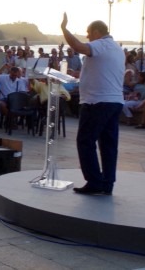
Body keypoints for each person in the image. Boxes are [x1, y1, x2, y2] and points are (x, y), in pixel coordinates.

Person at [61, 14, 124, 196]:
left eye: (89, 33)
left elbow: (77, 46)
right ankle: (107, 183)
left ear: (96, 32)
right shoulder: (117, 48)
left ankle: (94, 181)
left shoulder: (101, 44)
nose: (88, 36)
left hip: (97, 102)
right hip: (114, 101)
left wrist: (64, 29)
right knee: (109, 145)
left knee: (85, 141)